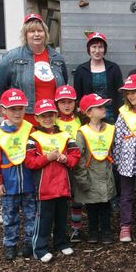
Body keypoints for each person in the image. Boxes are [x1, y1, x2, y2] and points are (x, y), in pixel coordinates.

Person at [0, 89, 35, 261]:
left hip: (29, 183)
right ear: (3, 110)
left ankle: (29, 243)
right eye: (12, 109)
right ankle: (10, 245)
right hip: (9, 184)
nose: (17, 113)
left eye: (20, 108)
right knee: (9, 217)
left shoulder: (30, 129)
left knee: (31, 215)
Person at [25, 98, 80, 263]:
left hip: (63, 186)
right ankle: (40, 248)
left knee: (61, 218)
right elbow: (30, 162)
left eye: (50, 115)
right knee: (44, 220)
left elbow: (75, 155)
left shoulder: (65, 136)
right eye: (43, 116)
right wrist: (47, 158)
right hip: (44, 188)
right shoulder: (33, 138)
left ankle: (61, 243)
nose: (47, 119)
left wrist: (65, 159)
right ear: (37, 117)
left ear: (56, 115)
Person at [0, 13, 67, 125]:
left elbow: (63, 85)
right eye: (32, 31)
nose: (36, 34)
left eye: (40, 31)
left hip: (51, 117)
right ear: (25, 35)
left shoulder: (57, 58)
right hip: (26, 118)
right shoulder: (12, 58)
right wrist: (11, 110)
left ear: (45, 33)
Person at [73, 94, 116, 244]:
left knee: (105, 205)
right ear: (88, 112)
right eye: (99, 107)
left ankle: (105, 231)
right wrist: (83, 180)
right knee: (92, 207)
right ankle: (92, 232)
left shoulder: (111, 129)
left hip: (106, 176)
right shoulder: (82, 132)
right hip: (90, 175)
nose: (103, 109)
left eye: (104, 106)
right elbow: (79, 158)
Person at [113, 74, 136, 243]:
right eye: (128, 93)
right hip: (127, 158)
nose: (131, 96)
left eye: (134, 91)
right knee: (126, 193)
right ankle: (125, 226)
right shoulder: (124, 113)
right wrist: (118, 159)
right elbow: (118, 136)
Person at [54, 85, 84, 243]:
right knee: (60, 198)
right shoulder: (53, 121)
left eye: (70, 102)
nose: (66, 105)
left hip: (77, 164)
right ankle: (59, 228)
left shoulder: (81, 119)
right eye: (62, 102)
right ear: (57, 104)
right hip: (58, 166)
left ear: (75, 102)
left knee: (76, 197)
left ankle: (76, 227)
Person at [73, 32, 123, 124]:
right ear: (89, 49)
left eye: (100, 47)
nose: (97, 50)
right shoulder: (81, 70)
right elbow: (78, 95)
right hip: (90, 117)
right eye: (94, 47)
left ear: (104, 49)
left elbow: (120, 93)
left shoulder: (114, 68)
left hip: (111, 116)